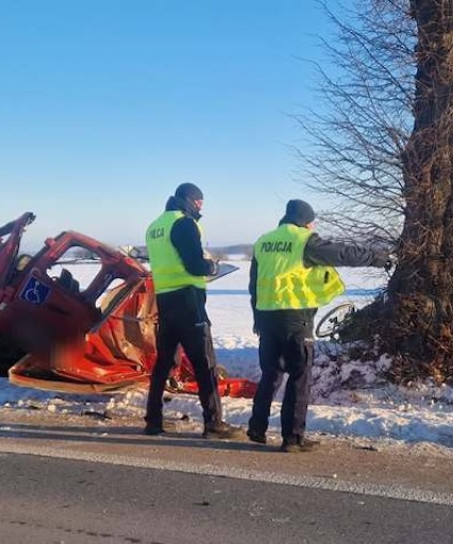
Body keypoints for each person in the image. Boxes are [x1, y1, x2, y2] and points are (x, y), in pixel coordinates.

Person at [247, 199, 391, 452]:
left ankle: (256, 428)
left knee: (271, 373)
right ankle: (292, 438)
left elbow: (253, 284)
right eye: (312, 221)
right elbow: (343, 253)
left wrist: (257, 318)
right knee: (300, 376)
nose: (314, 226)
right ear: (305, 220)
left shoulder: (263, 242)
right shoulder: (304, 240)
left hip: (267, 317)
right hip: (295, 317)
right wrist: (377, 258)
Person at [143, 183, 244, 439]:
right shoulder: (184, 223)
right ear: (191, 201)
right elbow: (194, 265)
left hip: (165, 301)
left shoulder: (155, 226)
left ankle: (153, 420)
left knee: (164, 362)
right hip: (188, 301)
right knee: (204, 363)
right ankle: (213, 424)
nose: (201, 208)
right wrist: (210, 266)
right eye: (200, 203)